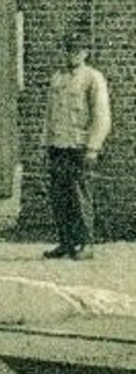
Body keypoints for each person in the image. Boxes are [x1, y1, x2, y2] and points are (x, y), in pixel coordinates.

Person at [44, 34, 112, 260]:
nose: (71, 53)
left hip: (79, 147)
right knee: (60, 197)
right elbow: (49, 114)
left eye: (76, 49)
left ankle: (86, 243)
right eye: (67, 49)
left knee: (80, 196)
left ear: (85, 53)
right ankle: (66, 241)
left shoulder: (93, 78)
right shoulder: (58, 78)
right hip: (58, 145)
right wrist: (46, 142)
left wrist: (93, 147)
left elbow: (101, 116)